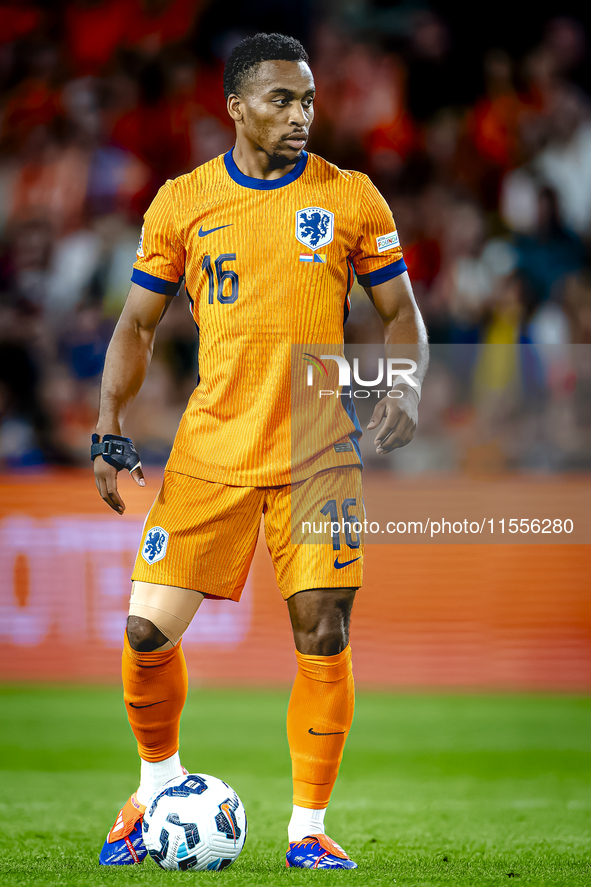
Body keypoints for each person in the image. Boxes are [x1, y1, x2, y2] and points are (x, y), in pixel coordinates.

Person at [94, 32, 428, 871]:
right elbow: (137, 323)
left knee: (322, 631)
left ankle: (307, 829)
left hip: (319, 450)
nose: (300, 114)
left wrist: (405, 385)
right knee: (143, 631)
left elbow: (400, 313)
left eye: (308, 100)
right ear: (236, 106)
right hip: (212, 449)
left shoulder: (350, 198)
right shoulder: (182, 201)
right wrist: (109, 422)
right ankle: (153, 786)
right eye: (282, 99)